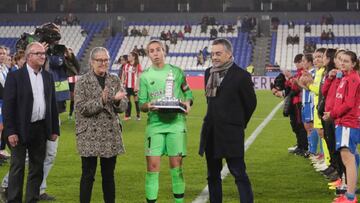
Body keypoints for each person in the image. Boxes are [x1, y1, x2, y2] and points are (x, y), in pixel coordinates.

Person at [199, 38, 257, 203]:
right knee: (212, 175)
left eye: (218, 53)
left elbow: (250, 104)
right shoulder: (208, 73)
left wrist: (238, 123)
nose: (214, 57)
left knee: (238, 173)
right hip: (211, 131)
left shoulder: (241, 75)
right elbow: (210, 102)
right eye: (212, 54)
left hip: (232, 133)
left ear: (229, 53)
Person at [3, 42, 59, 203]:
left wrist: (54, 128)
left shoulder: (48, 76)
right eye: (38, 53)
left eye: (43, 54)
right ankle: (14, 200)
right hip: (19, 129)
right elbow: (8, 106)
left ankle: (32, 199)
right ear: (28, 56)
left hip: (40, 129)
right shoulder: (15, 76)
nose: (43, 56)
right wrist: (11, 131)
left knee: (37, 168)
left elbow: (52, 105)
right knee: (17, 167)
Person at [138, 40, 193, 203]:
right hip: (155, 125)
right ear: (148, 55)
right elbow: (141, 104)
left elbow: (188, 94)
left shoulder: (177, 72)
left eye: (158, 50)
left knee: (176, 167)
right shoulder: (145, 76)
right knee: (152, 167)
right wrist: (149, 105)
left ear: (164, 51)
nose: (155, 53)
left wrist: (188, 103)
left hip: (176, 124)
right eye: (151, 51)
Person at [74, 47, 128, 203]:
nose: (103, 63)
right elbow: (82, 108)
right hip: (89, 134)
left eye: (106, 60)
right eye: (100, 60)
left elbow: (124, 106)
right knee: (88, 175)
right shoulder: (82, 82)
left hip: (110, 134)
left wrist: (117, 101)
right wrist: (102, 101)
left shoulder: (114, 79)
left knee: (108, 176)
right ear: (92, 62)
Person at [323, 50, 360, 203]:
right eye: (341, 60)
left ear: (353, 64)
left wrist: (332, 114)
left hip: (347, 123)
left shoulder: (352, 79)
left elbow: (349, 103)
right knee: (350, 157)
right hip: (343, 122)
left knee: (348, 159)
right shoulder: (344, 77)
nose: (343, 63)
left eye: (346, 61)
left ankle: (350, 197)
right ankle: (349, 194)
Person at [122, 51, 142, 120]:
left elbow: (139, 76)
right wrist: (122, 84)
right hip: (127, 85)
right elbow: (123, 75)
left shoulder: (137, 65)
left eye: (129, 56)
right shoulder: (126, 65)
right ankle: (128, 115)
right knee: (127, 100)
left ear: (134, 57)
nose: (128, 57)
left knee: (136, 101)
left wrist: (137, 86)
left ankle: (138, 115)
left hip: (134, 86)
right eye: (128, 56)